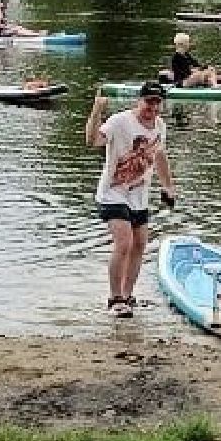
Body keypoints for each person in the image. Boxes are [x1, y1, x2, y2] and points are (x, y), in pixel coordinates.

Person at [87, 81, 176, 318]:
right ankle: (115, 298)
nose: (152, 108)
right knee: (124, 243)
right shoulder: (119, 121)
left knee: (140, 244)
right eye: (149, 102)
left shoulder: (160, 125)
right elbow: (93, 141)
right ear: (139, 100)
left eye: (157, 103)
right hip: (112, 193)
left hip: (139, 196)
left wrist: (168, 186)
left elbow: (159, 155)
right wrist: (97, 110)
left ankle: (127, 295)